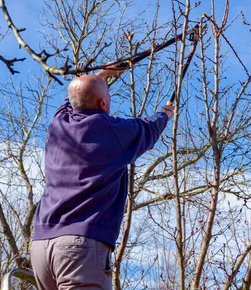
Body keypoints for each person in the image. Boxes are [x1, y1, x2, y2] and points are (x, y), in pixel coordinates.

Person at [30, 68, 174, 290]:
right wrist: (165, 114)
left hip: (41, 248)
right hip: (80, 247)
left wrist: (101, 75)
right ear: (103, 104)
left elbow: (73, 98)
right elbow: (148, 128)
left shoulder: (57, 124)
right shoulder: (111, 131)